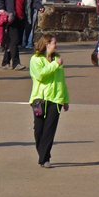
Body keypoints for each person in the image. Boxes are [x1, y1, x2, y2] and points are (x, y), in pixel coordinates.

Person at [28, 34, 69, 168]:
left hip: (56, 99)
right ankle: (43, 154)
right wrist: (55, 65)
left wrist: (65, 99)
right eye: (54, 43)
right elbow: (40, 76)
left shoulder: (57, 58)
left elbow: (62, 81)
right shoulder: (36, 59)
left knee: (49, 129)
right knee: (38, 129)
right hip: (39, 99)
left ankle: (44, 158)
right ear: (47, 44)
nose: (56, 46)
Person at [0, 0, 43, 70]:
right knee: (14, 40)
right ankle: (16, 63)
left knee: (13, 41)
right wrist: (1, 9)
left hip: (23, 18)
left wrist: (40, 7)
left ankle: (5, 62)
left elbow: (34, 0)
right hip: (11, 18)